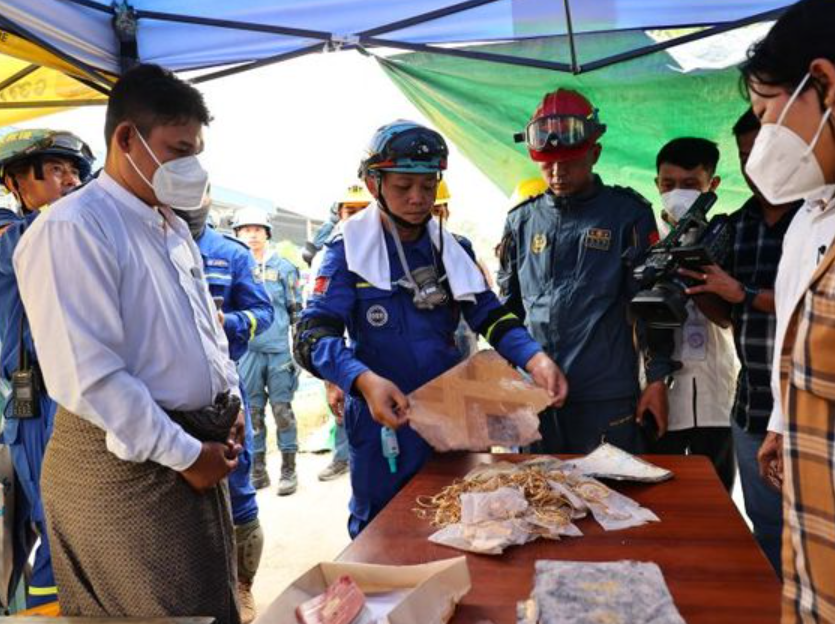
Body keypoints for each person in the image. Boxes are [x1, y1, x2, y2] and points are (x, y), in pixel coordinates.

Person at [13, 64, 243, 624]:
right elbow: (91, 375)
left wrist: (228, 402)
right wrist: (187, 454)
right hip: (129, 473)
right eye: (179, 149)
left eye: (196, 151)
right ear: (126, 139)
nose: (191, 166)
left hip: (188, 451)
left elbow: (203, 330)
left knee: (206, 606)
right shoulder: (74, 227)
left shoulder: (167, 224)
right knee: (158, 612)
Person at [295, 119, 567, 538]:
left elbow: (490, 316)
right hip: (383, 415)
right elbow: (311, 337)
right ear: (373, 183)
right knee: (383, 530)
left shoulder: (453, 249)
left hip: (453, 412)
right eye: (403, 186)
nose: (418, 199)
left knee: (465, 520)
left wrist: (535, 357)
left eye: (428, 185)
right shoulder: (346, 251)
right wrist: (360, 380)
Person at [499, 88, 675, 454]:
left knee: (612, 501)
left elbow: (651, 306)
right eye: (548, 164)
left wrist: (657, 381)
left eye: (571, 162)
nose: (558, 173)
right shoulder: (521, 221)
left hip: (605, 400)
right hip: (536, 398)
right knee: (539, 503)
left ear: (594, 153)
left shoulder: (628, 215)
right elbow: (507, 311)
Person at [737, 0, 835, 618]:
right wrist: (781, 421)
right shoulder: (811, 215)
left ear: (822, 84)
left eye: (767, 112)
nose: (763, 139)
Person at [680, 110, 802, 574]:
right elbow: (727, 314)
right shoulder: (736, 223)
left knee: (814, 531)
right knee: (766, 529)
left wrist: (742, 291)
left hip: (810, 408)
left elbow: (812, 300)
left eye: (764, 154)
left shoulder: (817, 217)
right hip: (752, 406)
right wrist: (702, 286)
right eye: (745, 157)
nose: (756, 167)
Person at [0, 129, 93, 608]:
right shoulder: (10, 233)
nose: (71, 181)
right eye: (56, 170)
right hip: (33, 406)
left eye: (76, 171)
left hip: (76, 394)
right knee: (58, 528)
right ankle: (45, 611)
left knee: (82, 528)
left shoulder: (68, 232)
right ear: (16, 180)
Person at [173, 199, 273, 624]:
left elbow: (263, 313)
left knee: (237, 487)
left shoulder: (229, 253)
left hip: (222, 395)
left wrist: (227, 322)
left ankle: (243, 585)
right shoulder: (140, 243)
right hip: (166, 396)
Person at [650, 137, 739, 492]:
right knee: (661, 497)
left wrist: (695, 269)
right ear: (657, 183)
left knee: (717, 497)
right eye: (669, 184)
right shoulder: (646, 239)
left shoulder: (726, 236)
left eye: (690, 185)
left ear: (712, 185)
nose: (677, 193)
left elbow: (729, 317)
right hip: (660, 394)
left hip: (716, 396)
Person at [234, 208, 303, 495]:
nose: (252, 234)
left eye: (258, 229)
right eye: (246, 229)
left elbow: (297, 312)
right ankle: (258, 470)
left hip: (278, 353)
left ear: (267, 233)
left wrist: (299, 352)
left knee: (282, 410)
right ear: (237, 233)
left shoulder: (285, 268)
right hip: (247, 353)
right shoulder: (236, 266)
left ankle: (289, 470)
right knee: (253, 413)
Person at [310, 184, 372, 483]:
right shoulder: (328, 256)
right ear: (338, 214)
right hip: (340, 357)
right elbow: (319, 325)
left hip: (373, 362)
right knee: (342, 415)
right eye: (351, 211)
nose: (357, 218)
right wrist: (331, 379)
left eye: (364, 210)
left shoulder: (383, 249)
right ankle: (340, 458)